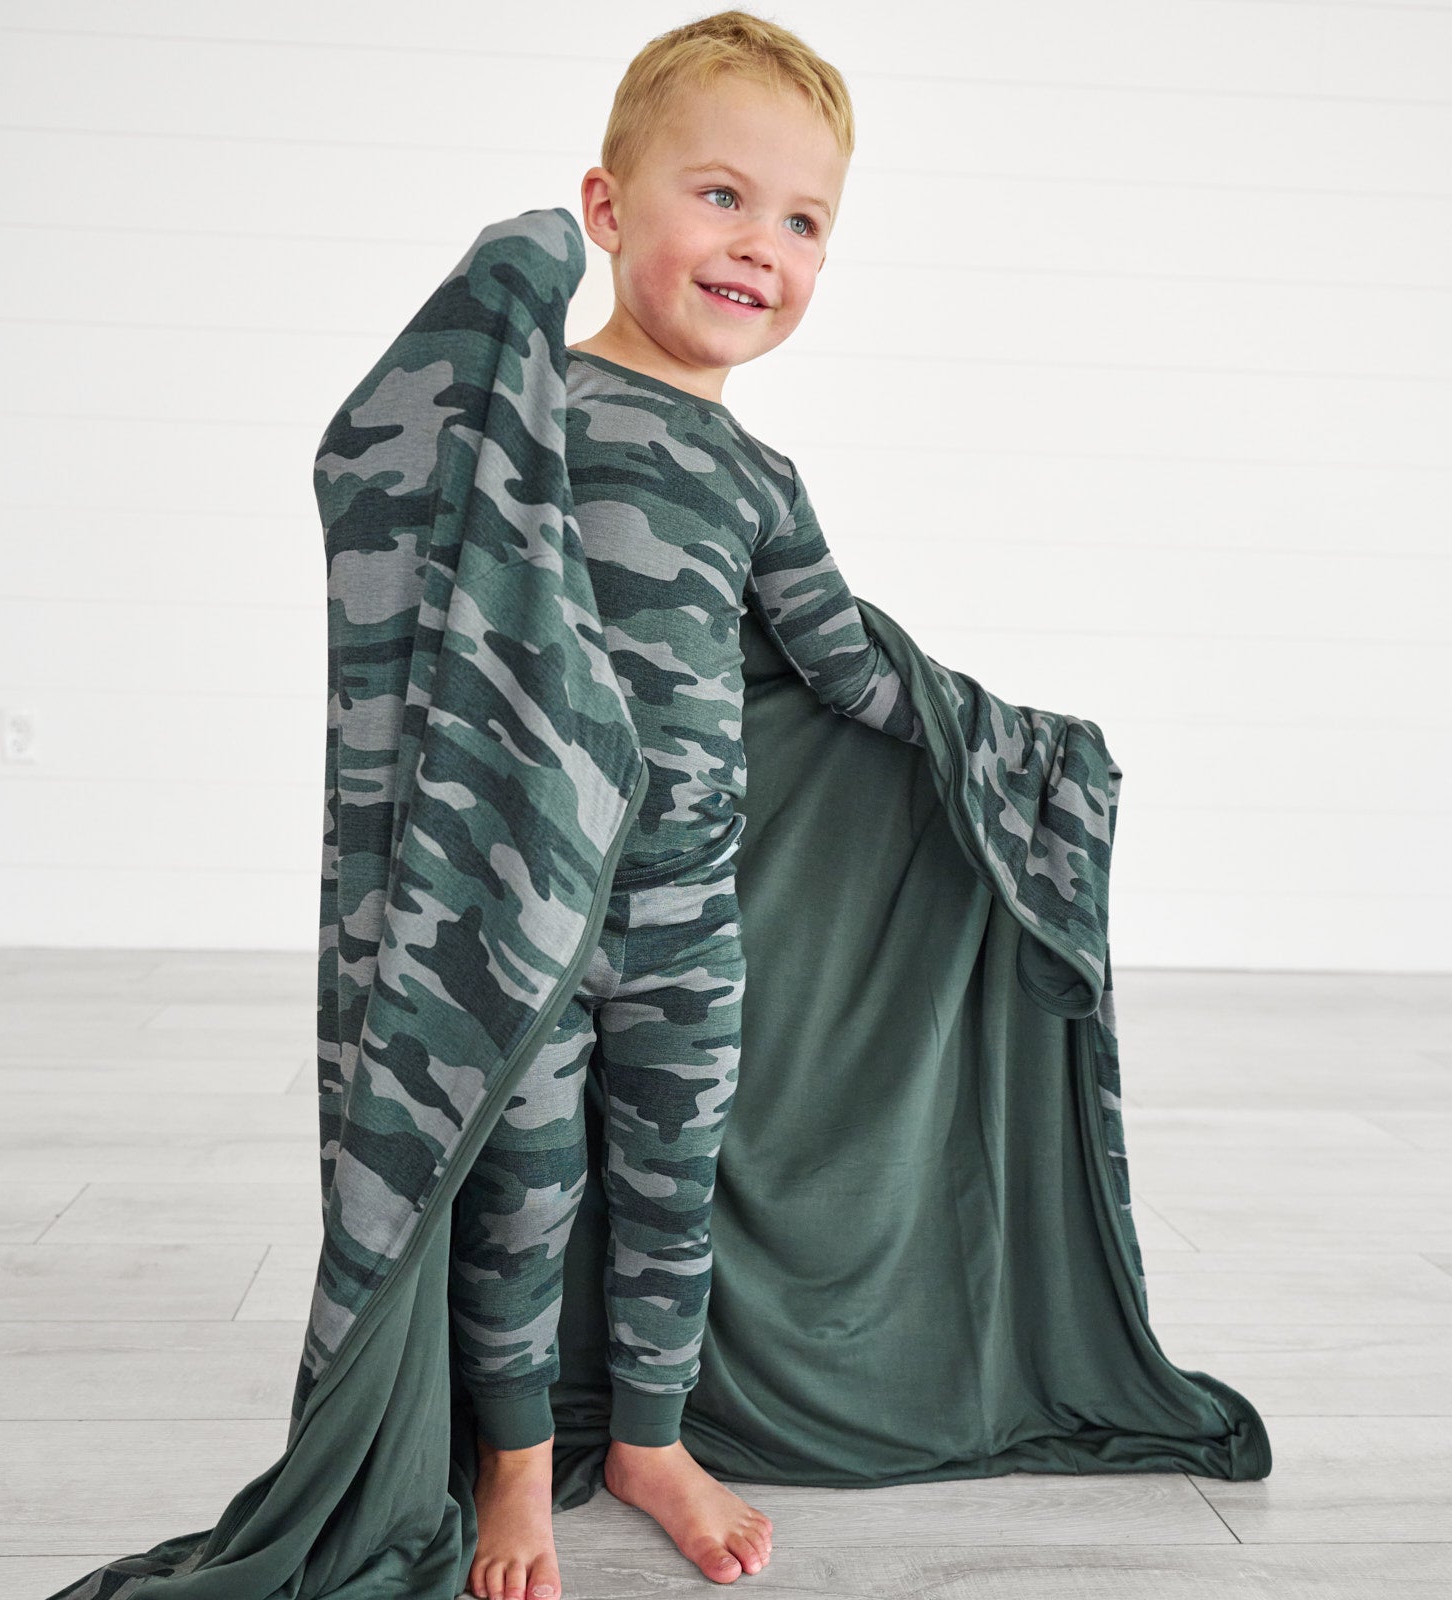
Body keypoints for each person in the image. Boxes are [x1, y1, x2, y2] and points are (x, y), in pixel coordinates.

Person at [448, 13, 926, 1599]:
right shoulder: (534, 417)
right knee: (521, 1191)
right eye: (720, 197)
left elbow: (846, 671)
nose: (761, 248)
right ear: (607, 208)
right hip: (524, 909)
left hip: (686, 921)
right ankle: (516, 1463)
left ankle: (649, 1437)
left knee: (671, 1191)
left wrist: (999, 745)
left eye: (802, 223)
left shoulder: (762, 481)